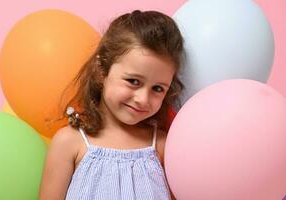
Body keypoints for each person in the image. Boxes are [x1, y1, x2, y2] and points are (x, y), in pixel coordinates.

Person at [39, 9, 185, 200]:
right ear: (102, 70)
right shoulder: (69, 143)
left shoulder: (163, 147)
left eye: (157, 88)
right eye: (133, 81)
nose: (143, 98)